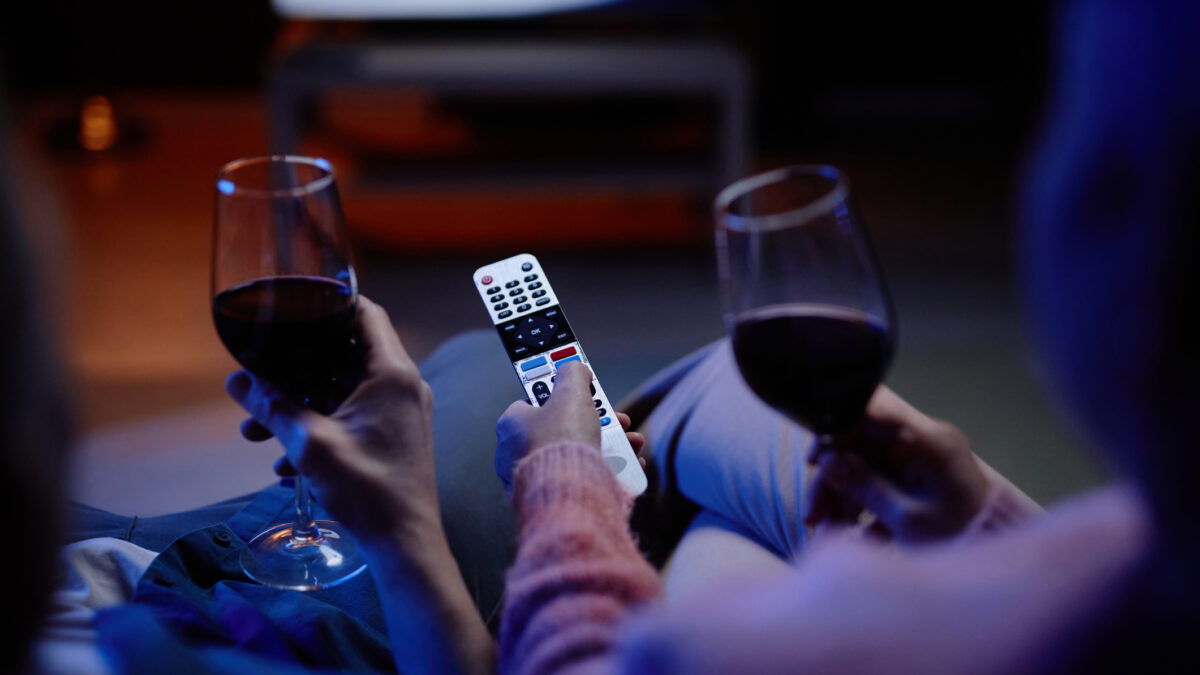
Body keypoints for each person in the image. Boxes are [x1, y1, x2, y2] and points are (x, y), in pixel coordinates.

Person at [481, 0, 1200, 673]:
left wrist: (564, 480)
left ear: (1135, 237)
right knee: (723, 449)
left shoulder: (768, 647)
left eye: (1067, 123)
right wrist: (979, 519)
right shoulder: (1143, 548)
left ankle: (635, 481)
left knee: (718, 414)